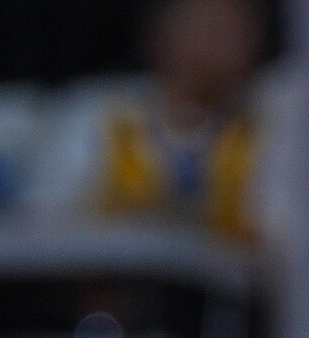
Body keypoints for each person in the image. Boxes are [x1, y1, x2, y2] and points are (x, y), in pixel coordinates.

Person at [24, 0, 289, 234]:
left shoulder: (276, 119)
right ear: (160, 34)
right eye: (209, 26)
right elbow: (42, 231)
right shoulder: (97, 120)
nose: (224, 41)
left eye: (239, 27)